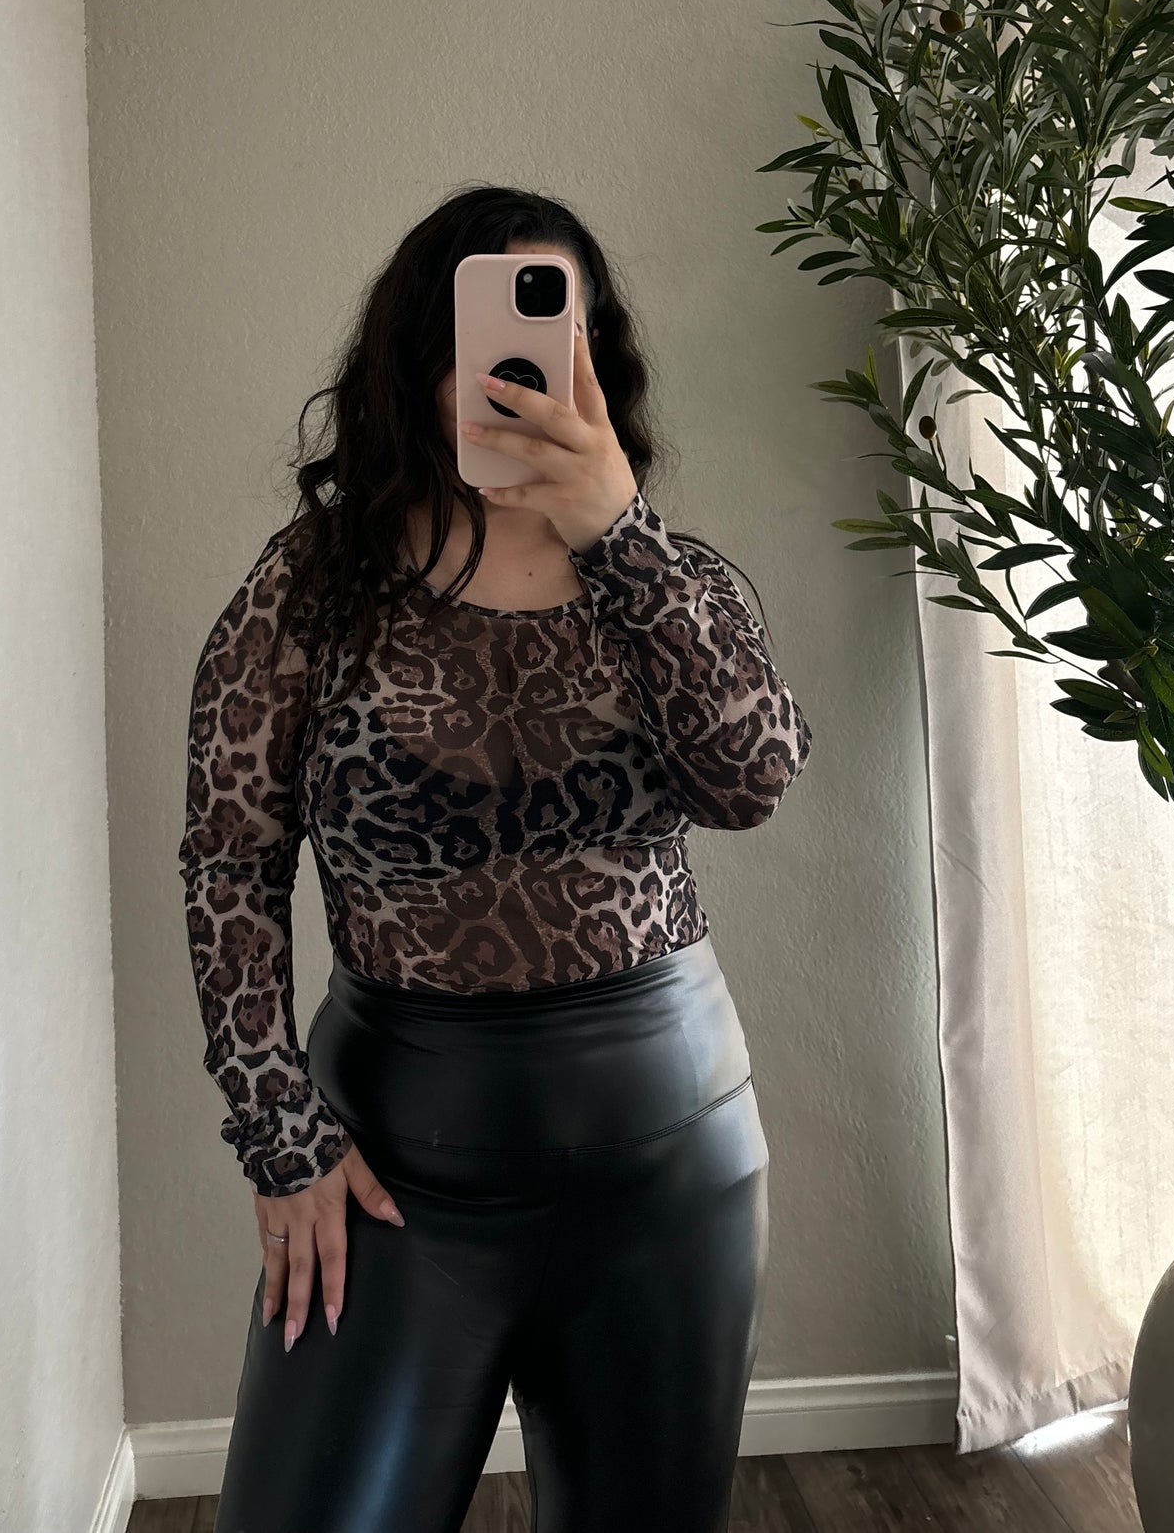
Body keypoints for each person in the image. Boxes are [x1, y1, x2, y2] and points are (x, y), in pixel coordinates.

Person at [176, 185, 813, 1533]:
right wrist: (277, 1133)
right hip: (390, 1169)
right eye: (492, 332)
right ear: (423, 357)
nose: (525, 367)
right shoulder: (311, 588)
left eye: (556, 328)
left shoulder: (668, 579)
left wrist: (621, 536)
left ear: (597, 355)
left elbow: (751, 780)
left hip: (668, 1163)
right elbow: (230, 861)